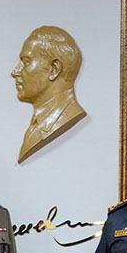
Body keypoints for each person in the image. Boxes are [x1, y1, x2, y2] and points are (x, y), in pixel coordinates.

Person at [11, 25, 87, 163]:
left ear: (54, 69)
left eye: (26, 62)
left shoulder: (61, 120)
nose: (15, 72)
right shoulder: (37, 123)